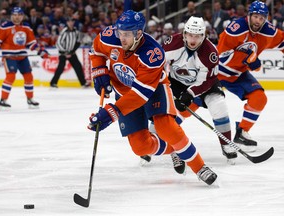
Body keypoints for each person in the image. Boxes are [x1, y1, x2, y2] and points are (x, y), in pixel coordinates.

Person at [88, 10, 217, 185]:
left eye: (126, 35)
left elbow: (141, 95)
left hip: (153, 89)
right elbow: (96, 51)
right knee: (140, 147)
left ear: (138, 33)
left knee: (166, 127)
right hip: (125, 93)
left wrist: (112, 112)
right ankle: (174, 149)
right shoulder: (110, 36)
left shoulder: (152, 53)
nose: (121, 38)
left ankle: (199, 167)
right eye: (120, 33)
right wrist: (99, 71)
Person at [144, 16, 237, 165]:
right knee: (163, 113)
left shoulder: (210, 52)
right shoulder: (173, 43)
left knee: (218, 105)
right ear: (184, 34)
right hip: (176, 82)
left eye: (198, 36)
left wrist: (190, 94)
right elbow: (157, 64)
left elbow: (206, 80)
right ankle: (151, 144)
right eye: (190, 35)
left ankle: (226, 144)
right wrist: (161, 85)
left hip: (205, 83)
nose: (193, 39)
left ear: (203, 36)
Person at [217, 1, 284, 152]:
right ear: (249, 15)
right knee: (192, 104)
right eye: (255, 17)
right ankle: (165, 132)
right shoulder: (236, 29)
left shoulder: (269, 31)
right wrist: (248, 59)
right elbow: (221, 56)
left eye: (261, 18)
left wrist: (249, 60)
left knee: (259, 98)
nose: (258, 21)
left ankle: (241, 133)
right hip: (218, 72)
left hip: (239, 75)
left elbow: (282, 41)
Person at [0, 7, 49, 109]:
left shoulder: (27, 27)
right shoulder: (5, 26)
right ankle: (3, 100)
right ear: (11, 16)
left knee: (29, 76)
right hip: (9, 56)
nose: (16, 17)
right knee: (11, 77)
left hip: (22, 56)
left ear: (22, 16)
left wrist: (41, 51)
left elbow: (31, 43)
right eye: (14, 15)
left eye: (19, 15)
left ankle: (30, 99)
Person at [50, 17, 89, 88]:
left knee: (78, 67)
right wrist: (65, 52)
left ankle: (83, 83)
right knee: (60, 68)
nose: (71, 23)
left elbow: (78, 42)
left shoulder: (76, 31)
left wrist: (72, 51)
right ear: (67, 23)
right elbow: (58, 43)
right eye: (69, 21)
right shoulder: (64, 31)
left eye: (72, 21)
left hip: (71, 53)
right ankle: (53, 83)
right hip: (63, 53)